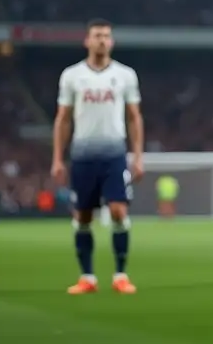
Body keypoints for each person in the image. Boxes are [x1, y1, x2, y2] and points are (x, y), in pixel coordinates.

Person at [50, 19, 144, 294]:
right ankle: (87, 278)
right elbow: (63, 119)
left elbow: (134, 117)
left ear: (111, 42)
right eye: (97, 36)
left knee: (118, 211)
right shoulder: (72, 75)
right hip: (82, 156)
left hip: (114, 155)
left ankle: (120, 275)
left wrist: (137, 156)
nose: (102, 40)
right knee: (83, 218)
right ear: (87, 41)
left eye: (106, 36)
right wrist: (57, 158)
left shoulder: (126, 75)